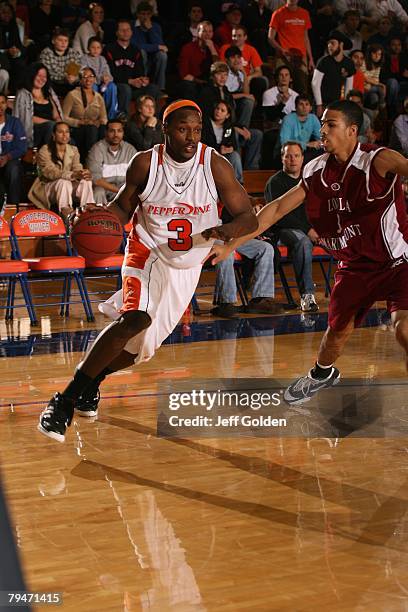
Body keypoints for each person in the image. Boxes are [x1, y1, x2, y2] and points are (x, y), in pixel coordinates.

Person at [37, 99, 258, 442]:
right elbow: (123, 209)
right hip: (148, 250)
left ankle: (92, 381)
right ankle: (62, 401)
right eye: (183, 129)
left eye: (197, 130)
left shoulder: (215, 165)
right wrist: (99, 219)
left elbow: (249, 217)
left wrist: (227, 232)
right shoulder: (146, 163)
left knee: (143, 348)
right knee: (134, 319)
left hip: (186, 266)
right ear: (165, 129)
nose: (191, 137)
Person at [206, 99, 408, 405]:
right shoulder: (316, 170)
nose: (322, 129)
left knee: (404, 331)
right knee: (335, 337)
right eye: (322, 122)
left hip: (398, 263)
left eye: (330, 124)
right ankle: (322, 373)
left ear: (353, 131)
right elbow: (274, 210)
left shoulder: (377, 160)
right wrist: (232, 244)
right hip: (355, 267)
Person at [264, 141, 319, 311]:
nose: (292, 159)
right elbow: (281, 216)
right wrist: (309, 230)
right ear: (282, 159)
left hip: (310, 230)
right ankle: (307, 296)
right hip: (283, 231)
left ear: (303, 159)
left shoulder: (308, 180)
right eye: (288, 156)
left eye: (296, 156)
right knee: (303, 241)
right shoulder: (275, 182)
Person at [28, 121, 93, 221]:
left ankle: (88, 211)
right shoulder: (45, 150)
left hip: (68, 185)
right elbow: (51, 173)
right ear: (54, 135)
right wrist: (72, 175)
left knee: (86, 182)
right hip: (47, 186)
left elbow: (77, 167)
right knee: (63, 182)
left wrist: (82, 174)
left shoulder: (74, 149)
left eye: (67, 132)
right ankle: (66, 213)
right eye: (60, 132)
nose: (64, 135)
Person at [104, 19, 160, 117]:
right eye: (122, 30)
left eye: (128, 30)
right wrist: (129, 81)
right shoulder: (109, 49)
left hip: (134, 87)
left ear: (131, 32)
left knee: (153, 88)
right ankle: (123, 118)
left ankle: (149, 117)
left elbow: (140, 71)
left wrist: (142, 80)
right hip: (118, 86)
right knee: (126, 89)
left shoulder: (136, 50)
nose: (126, 32)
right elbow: (110, 73)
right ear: (117, 33)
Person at [62, 66, 108, 162]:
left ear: (95, 79)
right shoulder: (72, 95)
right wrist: (80, 122)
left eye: (91, 76)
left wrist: (98, 122)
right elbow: (63, 117)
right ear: (80, 80)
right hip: (76, 129)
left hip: (94, 129)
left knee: (103, 128)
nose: (88, 79)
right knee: (91, 129)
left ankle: (102, 159)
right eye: (84, 76)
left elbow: (104, 119)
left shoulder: (99, 97)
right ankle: (90, 160)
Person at [13, 62, 63, 149]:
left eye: (44, 76)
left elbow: (56, 116)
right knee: (50, 127)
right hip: (32, 131)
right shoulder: (23, 93)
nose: (42, 79)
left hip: (52, 129)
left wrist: (61, 127)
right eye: (39, 75)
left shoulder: (49, 92)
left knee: (68, 137)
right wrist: (52, 124)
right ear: (32, 75)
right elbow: (27, 117)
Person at [86, 119, 136, 204]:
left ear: (123, 133)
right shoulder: (97, 149)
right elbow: (96, 179)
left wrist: (126, 190)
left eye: (119, 131)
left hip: (123, 187)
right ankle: (100, 216)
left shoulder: (130, 150)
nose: (116, 135)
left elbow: (135, 176)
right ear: (106, 133)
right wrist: (119, 190)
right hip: (104, 188)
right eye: (112, 131)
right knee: (98, 192)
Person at [312, 30, 355, 118]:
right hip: (322, 102)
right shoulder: (323, 62)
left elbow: (349, 87)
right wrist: (319, 105)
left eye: (332, 43)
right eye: (328, 43)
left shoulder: (349, 63)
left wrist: (346, 105)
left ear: (341, 44)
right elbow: (315, 84)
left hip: (336, 104)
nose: (329, 46)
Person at [131, 1, 168, 92]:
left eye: (148, 14)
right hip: (138, 58)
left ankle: (160, 88)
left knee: (162, 55)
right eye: (143, 14)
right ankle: (142, 83)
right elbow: (136, 46)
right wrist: (156, 47)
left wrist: (150, 29)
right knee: (142, 51)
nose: (145, 17)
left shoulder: (155, 26)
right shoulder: (132, 26)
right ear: (138, 15)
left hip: (153, 58)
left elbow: (160, 45)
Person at [80, 37, 118, 121]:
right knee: (93, 87)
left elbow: (107, 72)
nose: (95, 50)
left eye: (98, 48)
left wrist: (106, 78)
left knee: (112, 86)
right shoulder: (84, 58)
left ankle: (111, 116)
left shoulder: (102, 59)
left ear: (101, 49)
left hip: (102, 83)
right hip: (90, 82)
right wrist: (97, 79)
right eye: (93, 47)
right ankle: (95, 115)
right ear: (88, 48)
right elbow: (84, 73)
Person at [0, 93, 26, 213]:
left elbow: (22, 147)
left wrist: (7, 157)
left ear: (6, 104)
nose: (0, 106)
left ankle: (13, 209)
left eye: (2, 102)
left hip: (10, 160)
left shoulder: (14, 122)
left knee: (14, 169)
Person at [39, 27, 82, 97]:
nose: (63, 43)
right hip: (53, 84)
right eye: (60, 40)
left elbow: (78, 71)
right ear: (53, 41)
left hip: (70, 84)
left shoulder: (73, 53)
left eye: (66, 41)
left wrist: (74, 78)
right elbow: (46, 73)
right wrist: (64, 77)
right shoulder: (46, 53)